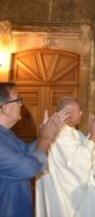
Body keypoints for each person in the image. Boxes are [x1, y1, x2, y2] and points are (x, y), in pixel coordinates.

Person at [0, 82, 68, 216]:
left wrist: (44, 135)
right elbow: (28, 168)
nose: (21, 104)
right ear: (5, 108)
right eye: (18, 99)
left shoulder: (6, 134)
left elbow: (27, 152)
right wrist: (46, 139)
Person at [36, 97, 95, 217]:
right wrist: (94, 136)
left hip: (80, 185)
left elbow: (82, 151)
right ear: (68, 115)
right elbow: (76, 164)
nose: (81, 113)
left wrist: (91, 135)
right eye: (79, 110)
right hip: (70, 193)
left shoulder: (72, 132)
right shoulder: (59, 135)